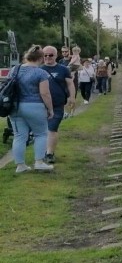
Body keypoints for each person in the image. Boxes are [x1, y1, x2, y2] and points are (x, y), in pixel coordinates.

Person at [9, 45, 54, 173]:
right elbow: (45, 94)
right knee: (41, 134)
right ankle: (39, 162)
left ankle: (20, 165)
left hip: (15, 107)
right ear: (40, 58)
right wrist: (50, 109)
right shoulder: (41, 72)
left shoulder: (15, 70)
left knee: (19, 136)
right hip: (34, 105)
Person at [40, 45, 75, 165]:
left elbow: (70, 84)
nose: (48, 57)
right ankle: (41, 153)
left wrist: (72, 97)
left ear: (55, 56)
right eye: (45, 55)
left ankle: (49, 153)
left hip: (57, 104)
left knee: (52, 128)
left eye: (50, 55)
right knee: (42, 130)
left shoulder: (63, 69)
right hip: (40, 104)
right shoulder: (38, 69)